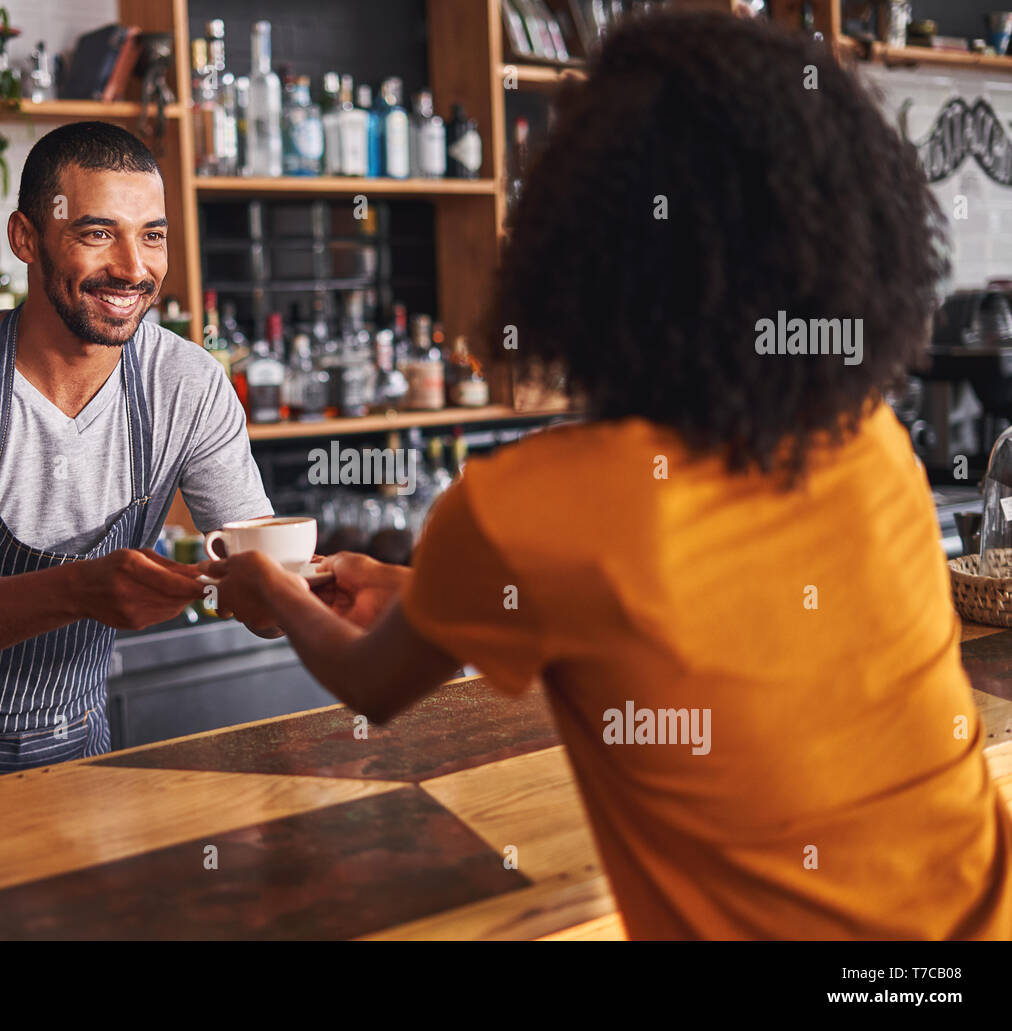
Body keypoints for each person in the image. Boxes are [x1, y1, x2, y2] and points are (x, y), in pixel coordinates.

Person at [203, 13, 1012, 939]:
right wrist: (423, 593)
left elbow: (369, 678)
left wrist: (267, 582)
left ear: (576, 245)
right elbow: (692, 622)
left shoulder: (525, 506)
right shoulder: (867, 439)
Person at [0, 122, 271, 804]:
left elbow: (260, 576)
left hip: (79, 753)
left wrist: (296, 590)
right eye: (98, 232)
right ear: (25, 238)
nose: (133, 267)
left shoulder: (188, 383)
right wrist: (82, 589)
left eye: (152, 234)